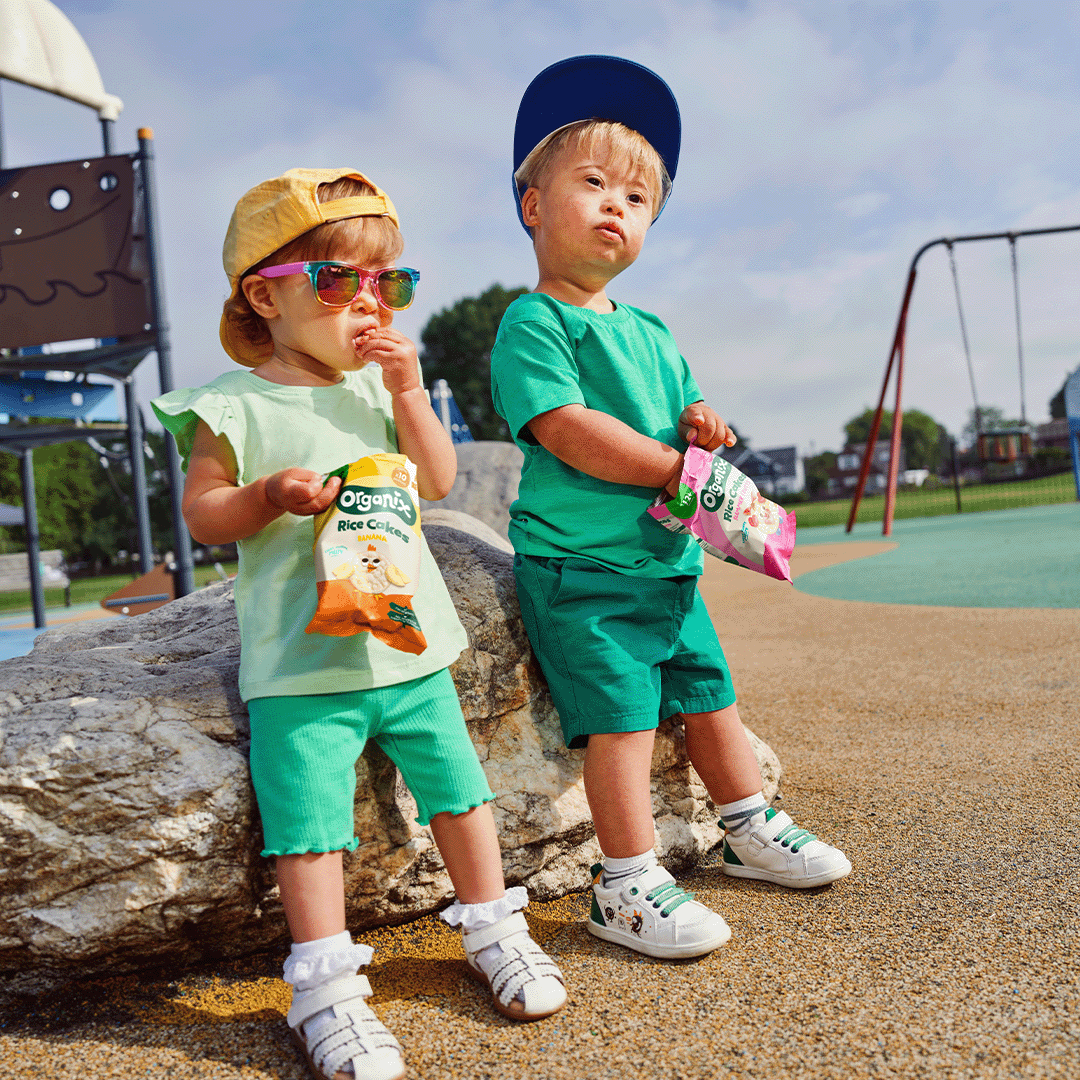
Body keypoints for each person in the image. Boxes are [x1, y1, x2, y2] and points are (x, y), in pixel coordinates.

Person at [153, 168, 565, 1080]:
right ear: (266, 294)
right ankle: (325, 988)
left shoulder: (377, 388)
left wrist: (411, 390)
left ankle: (493, 927)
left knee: (461, 793)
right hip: (303, 667)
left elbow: (440, 480)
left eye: (391, 283)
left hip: (412, 651)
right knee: (308, 825)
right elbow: (205, 511)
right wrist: (265, 494)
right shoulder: (235, 403)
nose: (369, 303)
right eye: (338, 282)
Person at [490, 57, 852, 962]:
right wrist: (672, 468)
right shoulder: (535, 323)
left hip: (666, 562)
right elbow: (567, 428)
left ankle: (747, 826)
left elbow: (689, 420)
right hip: (585, 569)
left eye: (639, 198)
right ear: (533, 205)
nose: (619, 205)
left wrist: (702, 425)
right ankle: (624, 884)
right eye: (595, 183)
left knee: (709, 697)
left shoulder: (650, 330)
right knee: (622, 720)